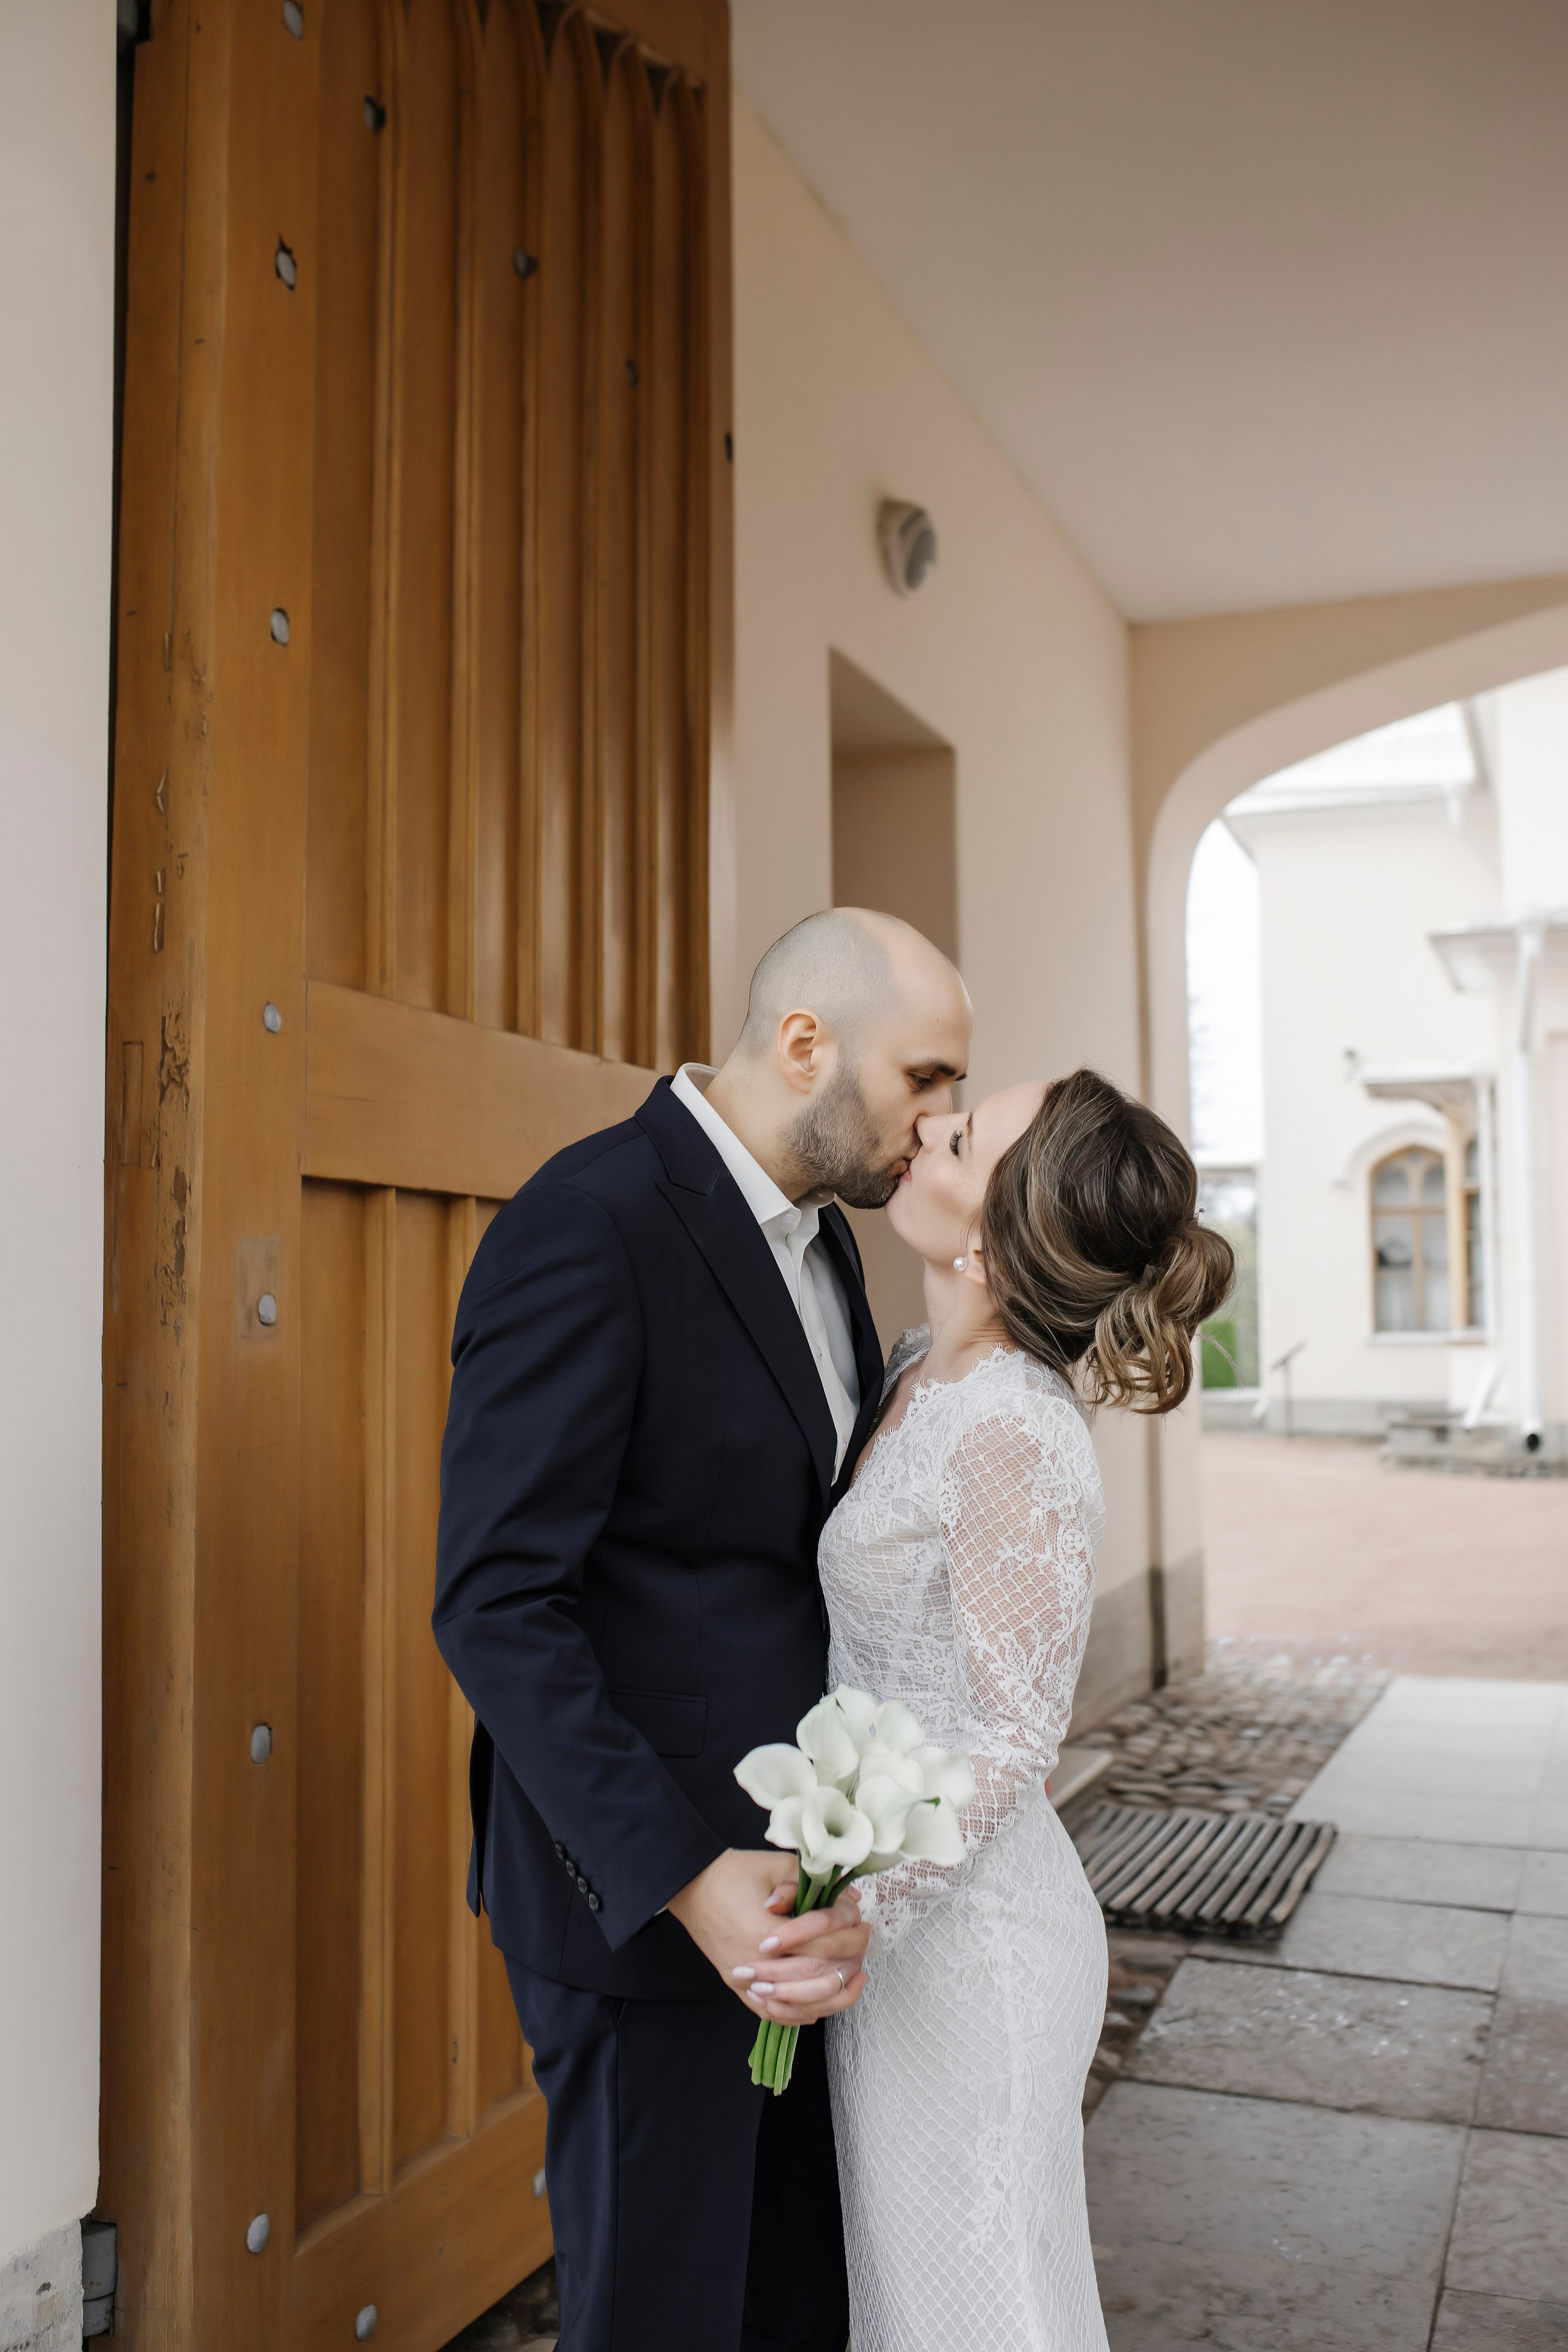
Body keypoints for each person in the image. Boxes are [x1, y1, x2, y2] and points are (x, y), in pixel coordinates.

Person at [432, 908, 973, 2352]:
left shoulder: (825, 1252)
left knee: (791, 2309)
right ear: (805, 1043)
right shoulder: (588, 1222)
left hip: (797, 1905)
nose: (941, 1124)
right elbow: (495, 1601)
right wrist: (687, 1879)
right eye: (923, 1078)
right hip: (647, 1915)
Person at [805, 1066, 1232, 2351]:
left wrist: (852, 1912)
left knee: (982, 2308)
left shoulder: (1010, 1433)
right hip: (897, 1934)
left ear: (989, 1240)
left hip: (968, 1944)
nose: (925, 1124)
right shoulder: (915, 1369)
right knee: (907, 2292)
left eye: (959, 1133)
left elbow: (1010, 1737)